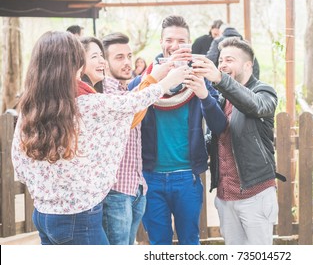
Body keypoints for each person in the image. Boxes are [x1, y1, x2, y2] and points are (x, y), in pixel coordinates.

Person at [11, 30, 186, 245]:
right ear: (76, 63)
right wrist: (167, 82)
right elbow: (132, 104)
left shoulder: (31, 108)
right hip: (79, 218)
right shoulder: (86, 105)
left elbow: (19, 164)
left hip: (42, 215)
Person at [128, 15, 227, 245]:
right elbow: (130, 109)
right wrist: (158, 80)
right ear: (161, 42)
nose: (174, 46)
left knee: (190, 242)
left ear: (189, 44)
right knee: (159, 244)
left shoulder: (199, 77)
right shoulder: (144, 81)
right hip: (151, 177)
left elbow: (220, 126)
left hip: (187, 177)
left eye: (181, 41)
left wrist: (203, 95)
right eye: (169, 40)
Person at [192, 37, 279, 245]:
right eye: (220, 60)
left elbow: (254, 106)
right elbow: (218, 136)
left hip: (255, 195)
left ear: (248, 65)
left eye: (229, 60)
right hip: (225, 197)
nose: (222, 65)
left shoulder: (264, 92)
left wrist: (220, 78)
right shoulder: (222, 99)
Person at [99, 32, 148, 245]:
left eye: (129, 56)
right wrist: (157, 79)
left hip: (136, 186)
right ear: (104, 62)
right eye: (119, 57)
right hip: (116, 191)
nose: (127, 62)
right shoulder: (105, 94)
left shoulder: (126, 90)